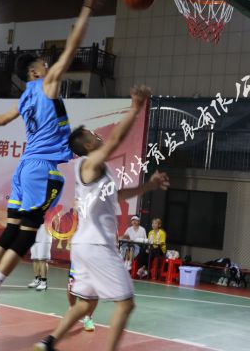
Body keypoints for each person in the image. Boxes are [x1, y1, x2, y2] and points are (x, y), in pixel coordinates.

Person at [0, 0, 105, 328]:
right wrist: (87, 7)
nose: (48, 64)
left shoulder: (26, 96)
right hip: (41, 169)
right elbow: (72, 47)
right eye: (43, 63)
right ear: (35, 72)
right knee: (27, 235)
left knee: (10, 232)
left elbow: (4, 118)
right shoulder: (46, 84)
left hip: (25, 167)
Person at [34, 85, 170, 351]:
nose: (98, 136)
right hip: (97, 245)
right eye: (93, 135)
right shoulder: (88, 164)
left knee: (85, 303)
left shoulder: (98, 171)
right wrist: (135, 108)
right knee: (126, 303)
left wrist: (148, 186)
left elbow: (117, 195)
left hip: (84, 246)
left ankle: (48, 342)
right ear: (87, 144)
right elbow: (116, 140)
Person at [67, 265, 96, 331]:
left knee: (93, 289)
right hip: (78, 262)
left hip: (95, 263)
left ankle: (88, 318)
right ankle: (72, 310)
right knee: (71, 284)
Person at [27, 224, 53, 291]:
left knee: (42, 259)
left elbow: (56, 221)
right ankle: (37, 280)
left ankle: (43, 282)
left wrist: (53, 233)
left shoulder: (50, 215)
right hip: (34, 236)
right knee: (35, 259)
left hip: (45, 237)